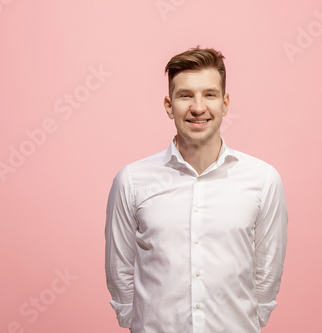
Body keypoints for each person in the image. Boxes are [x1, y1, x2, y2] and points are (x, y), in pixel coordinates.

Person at [105, 47, 288, 333]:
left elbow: (267, 272)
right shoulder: (131, 180)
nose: (198, 107)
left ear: (225, 104)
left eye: (210, 95)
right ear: (169, 105)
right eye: (186, 95)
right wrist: (136, 322)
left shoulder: (263, 180)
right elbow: (120, 269)